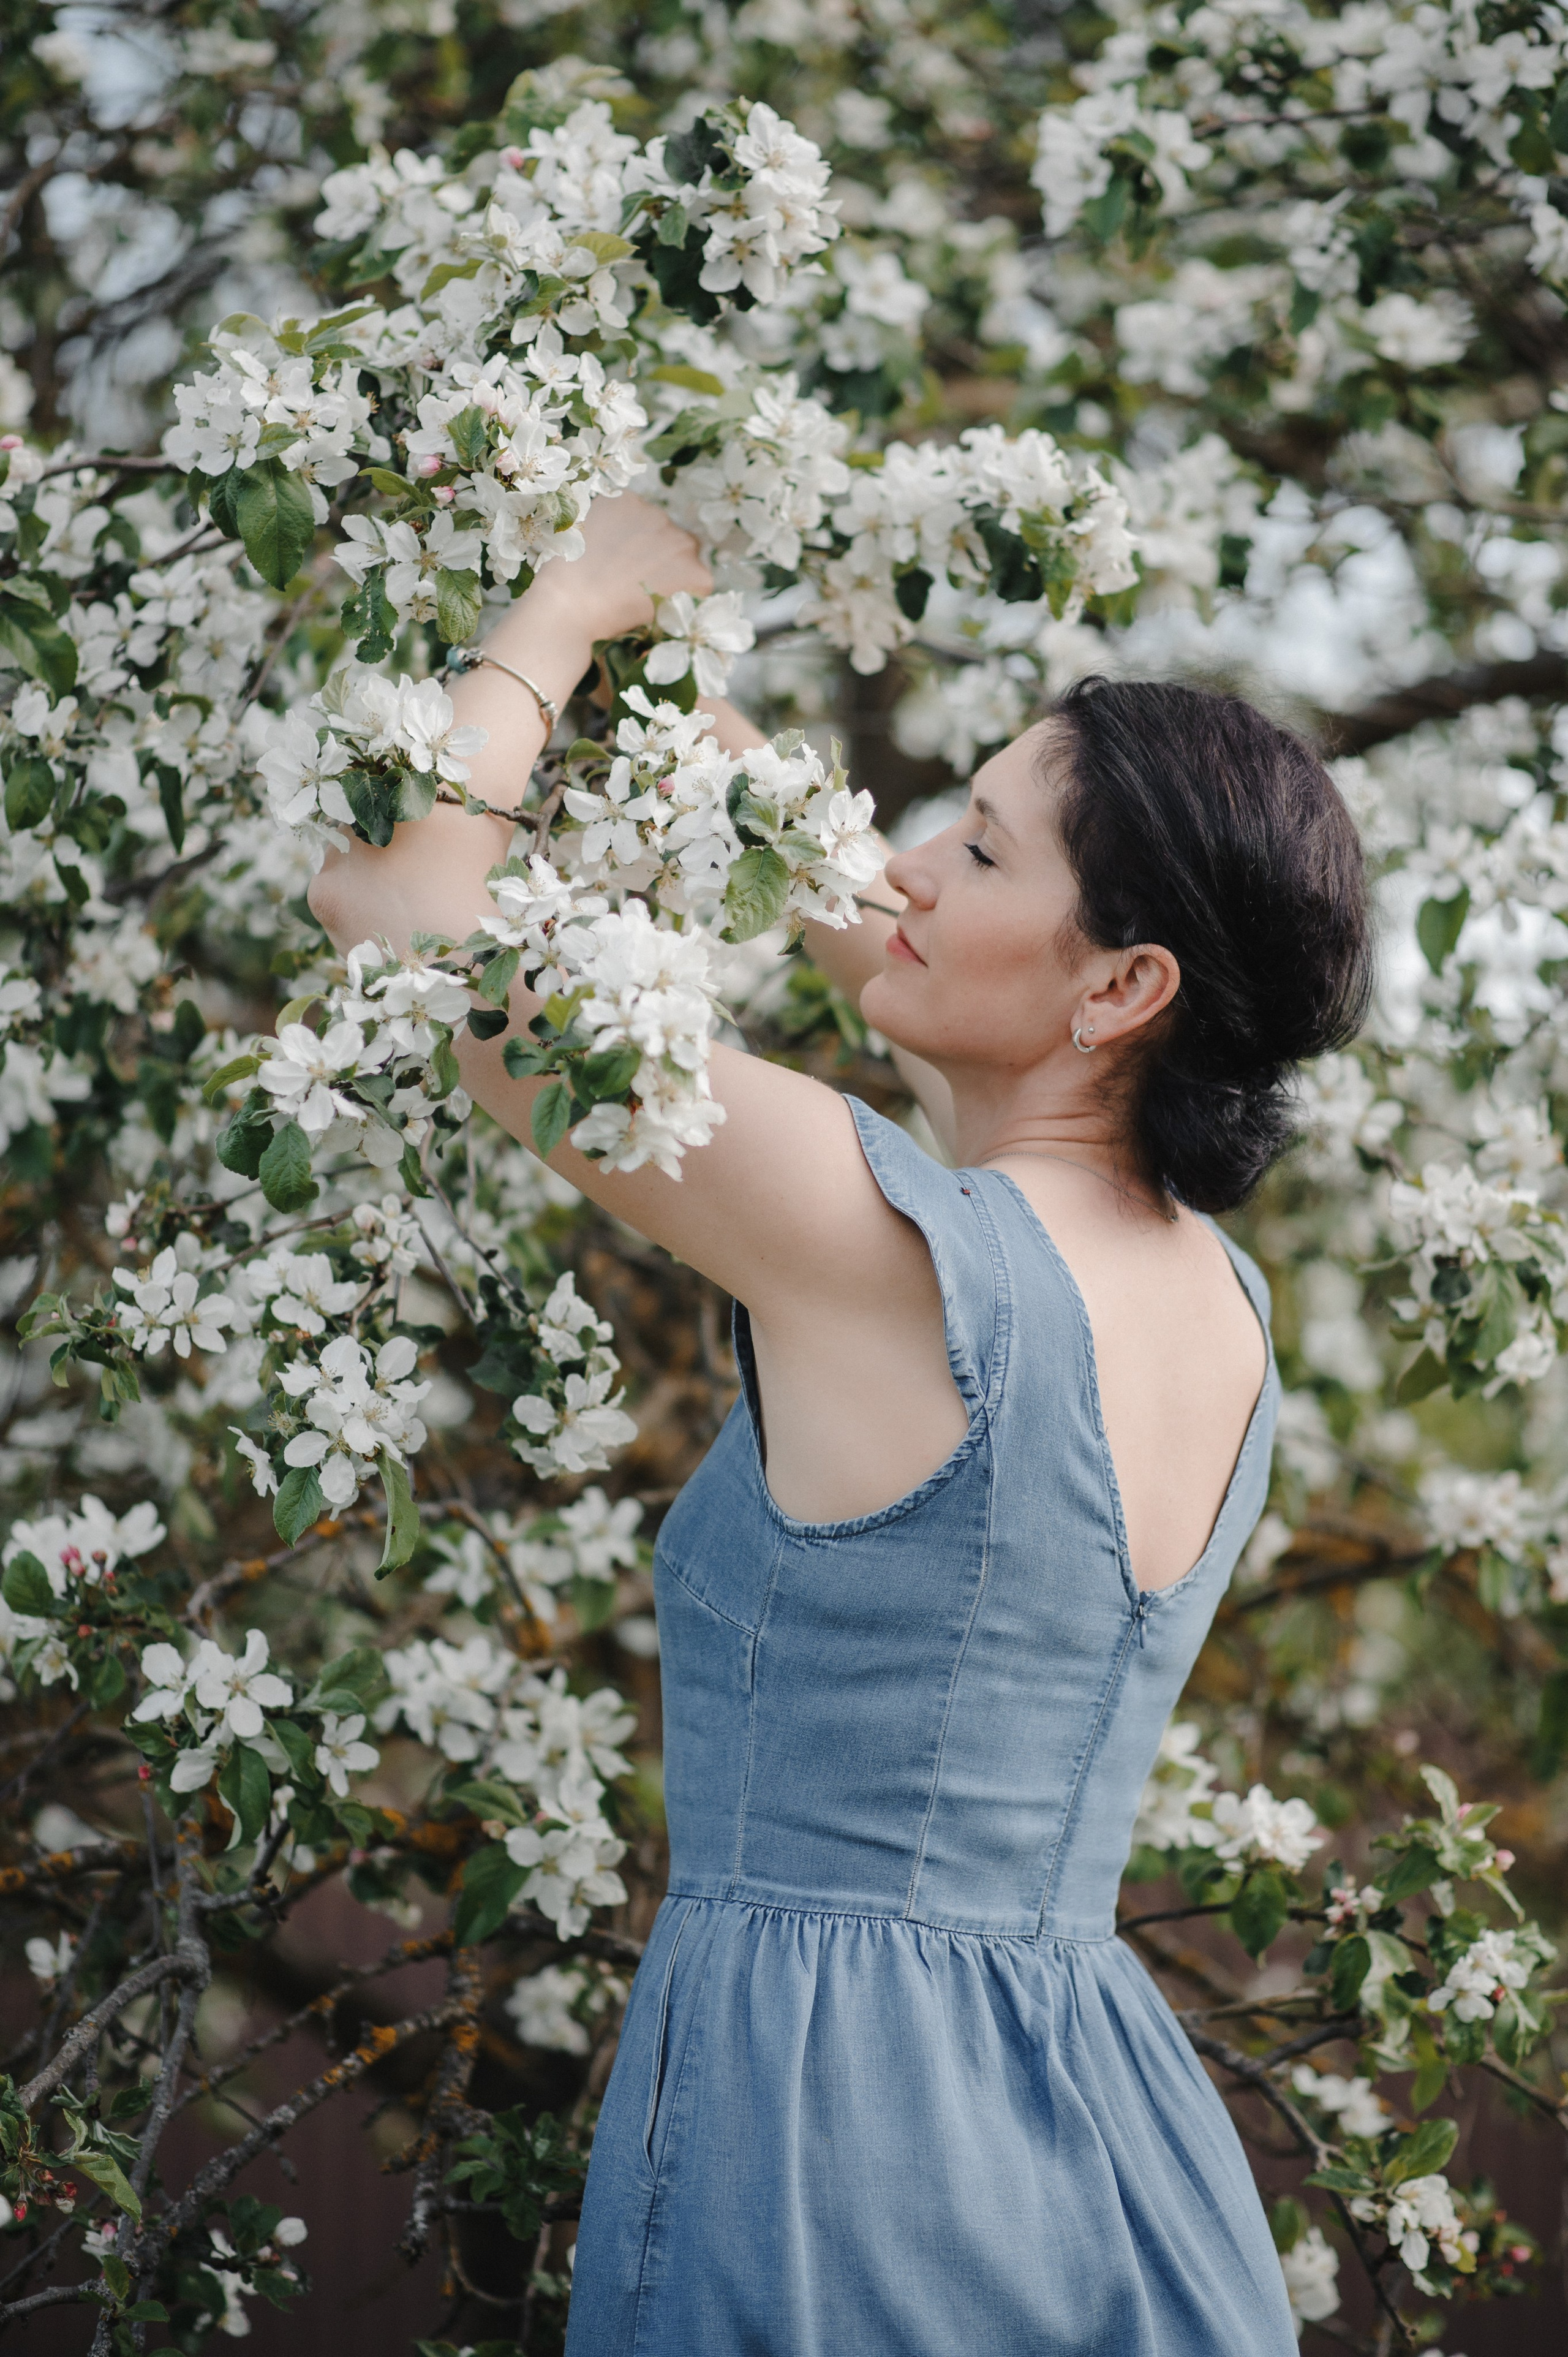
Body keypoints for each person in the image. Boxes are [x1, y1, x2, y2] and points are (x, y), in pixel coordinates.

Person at [307, 491, 1371, 2356]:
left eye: (973, 845)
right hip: (1107, 2154)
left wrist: (563, 605)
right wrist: (686, 673)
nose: (903, 873)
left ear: (1123, 987)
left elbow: (403, 911)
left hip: (828, 2146)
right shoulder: (1214, 1295)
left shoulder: (881, 1241)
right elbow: (884, 938)